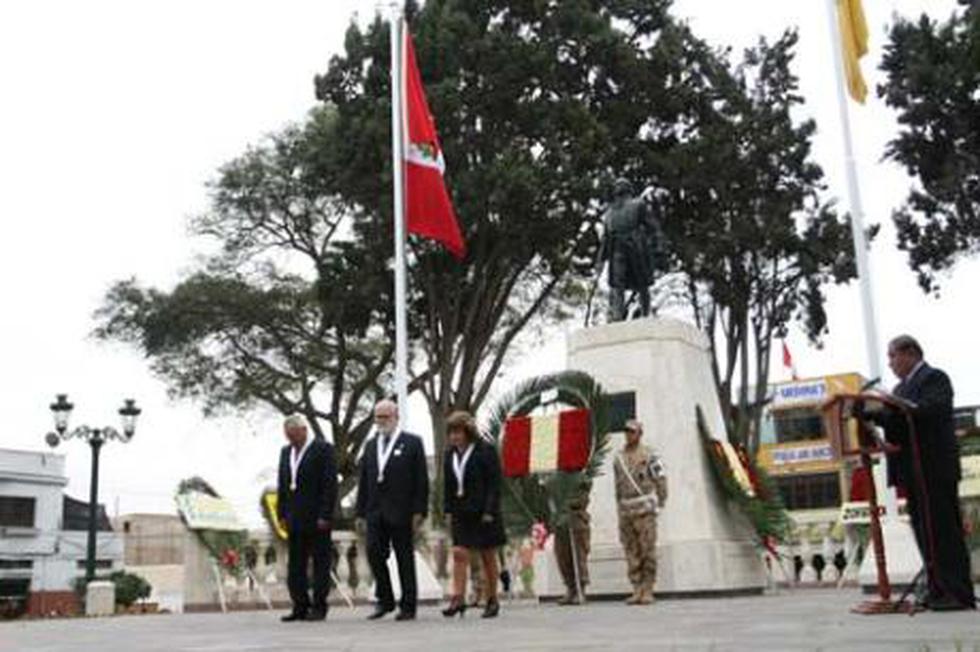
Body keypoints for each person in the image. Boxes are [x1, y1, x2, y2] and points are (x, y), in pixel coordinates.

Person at [865, 335, 976, 610]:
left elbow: (931, 411)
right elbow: (898, 424)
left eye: (893, 356)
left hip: (934, 468)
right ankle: (936, 588)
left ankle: (956, 591)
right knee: (924, 531)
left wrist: (894, 405)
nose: (890, 363)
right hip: (912, 470)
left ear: (910, 353)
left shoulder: (934, 378)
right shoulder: (901, 388)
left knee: (944, 531)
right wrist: (869, 414)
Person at [355, 399, 429, 621]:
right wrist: (360, 513)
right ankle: (384, 600)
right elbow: (365, 480)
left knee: (404, 558)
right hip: (375, 511)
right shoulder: (370, 445)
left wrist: (419, 510)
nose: (381, 421)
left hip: (403, 511)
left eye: (385, 417)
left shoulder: (412, 442)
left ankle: (408, 605)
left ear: (396, 416)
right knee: (374, 552)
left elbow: (421, 480)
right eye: (378, 417)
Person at [441, 411, 506, 619]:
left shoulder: (485, 451)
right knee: (459, 553)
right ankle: (458, 598)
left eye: (458, 432)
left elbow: (494, 484)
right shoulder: (449, 454)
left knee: (488, 556)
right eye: (451, 433)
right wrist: (448, 510)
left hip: (484, 512)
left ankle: (492, 599)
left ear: (468, 431)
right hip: (461, 512)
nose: (454, 437)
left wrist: (489, 510)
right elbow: (449, 485)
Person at [276, 414, 337, 622]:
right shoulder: (285, 452)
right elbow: (283, 484)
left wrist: (325, 514)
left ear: (303, 430)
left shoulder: (323, 449)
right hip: (294, 518)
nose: (291, 441)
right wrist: (281, 513)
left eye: (293, 436)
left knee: (320, 563)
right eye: (287, 437)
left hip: (317, 518)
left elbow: (330, 484)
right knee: (296, 564)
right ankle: (299, 605)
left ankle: (319, 606)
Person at [613, 419, 667, 605]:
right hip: (627, 510)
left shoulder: (650, 455)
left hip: (645, 510)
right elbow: (617, 487)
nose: (629, 434)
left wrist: (660, 501)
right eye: (626, 431)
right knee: (631, 552)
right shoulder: (618, 458)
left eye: (632, 431)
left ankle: (648, 588)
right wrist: (619, 509)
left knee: (647, 550)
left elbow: (660, 479)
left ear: (640, 433)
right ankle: (636, 588)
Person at [553, 478, 592, 605]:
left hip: (577, 521)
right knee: (562, 556)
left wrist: (567, 502)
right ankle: (570, 588)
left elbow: (582, 500)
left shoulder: (582, 477)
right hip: (560, 523)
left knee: (579, 556)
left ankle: (580, 589)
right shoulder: (555, 479)